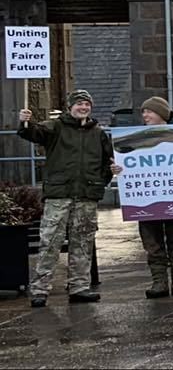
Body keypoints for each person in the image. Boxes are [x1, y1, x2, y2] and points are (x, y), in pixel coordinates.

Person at [17, 90, 112, 307]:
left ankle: (79, 286)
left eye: (87, 104)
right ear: (70, 107)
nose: (83, 108)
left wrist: (102, 181)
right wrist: (25, 122)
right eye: (79, 104)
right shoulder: (56, 127)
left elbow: (108, 162)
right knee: (50, 242)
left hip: (87, 195)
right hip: (59, 195)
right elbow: (35, 133)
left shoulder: (98, 133)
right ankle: (40, 289)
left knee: (83, 242)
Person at [110, 97, 173, 299]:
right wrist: (117, 168)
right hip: (145, 199)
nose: (145, 115)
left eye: (149, 111)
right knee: (152, 242)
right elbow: (122, 160)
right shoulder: (134, 138)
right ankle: (159, 281)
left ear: (161, 114)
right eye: (143, 112)